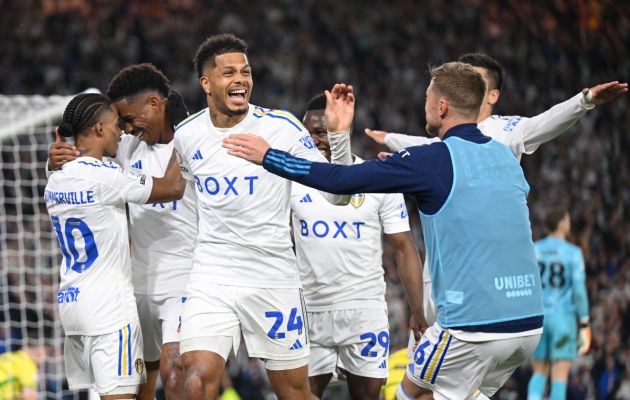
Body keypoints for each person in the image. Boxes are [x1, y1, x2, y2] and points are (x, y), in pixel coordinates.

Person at [223, 62, 545, 399]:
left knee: (411, 395)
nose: (425, 105)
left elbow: (339, 181)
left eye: (426, 98)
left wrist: (269, 156)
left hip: (472, 328)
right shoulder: (505, 155)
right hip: (528, 323)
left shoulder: (433, 159)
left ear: (442, 106)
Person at [363, 53, 627, 327]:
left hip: (483, 270)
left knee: (471, 349)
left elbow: (546, 122)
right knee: (426, 346)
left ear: (492, 96)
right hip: (442, 260)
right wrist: (392, 140)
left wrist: (584, 102)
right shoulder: (446, 137)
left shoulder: (507, 129)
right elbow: (425, 146)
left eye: (474, 81)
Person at [173, 33, 352, 400]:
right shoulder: (187, 136)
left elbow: (338, 194)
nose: (241, 79)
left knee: (293, 392)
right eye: (229, 73)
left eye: (246, 71)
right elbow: (186, 195)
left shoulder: (281, 128)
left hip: (273, 278)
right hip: (212, 277)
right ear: (206, 83)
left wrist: (340, 137)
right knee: (195, 380)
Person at [47, 64, 195, 400]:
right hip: (129, 290)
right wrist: (54, 159)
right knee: (135, 389)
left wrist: (53, 164)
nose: (125, 130)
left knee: (175, 376)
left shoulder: (197, 145)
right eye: (120, 124)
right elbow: (171, 186)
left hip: (179, 281)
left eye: (128, 120)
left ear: (156, 105)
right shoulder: (123, 153)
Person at [294, 94, 425, 399]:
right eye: (313, 132)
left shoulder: (377, 179)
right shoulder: (291, 181)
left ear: (344, 131)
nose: (321, 139)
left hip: (364, 311)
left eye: (327, 131)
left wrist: (417, 309)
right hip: (310, 311)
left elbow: (404, 247)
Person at [527, 209, 591, 400]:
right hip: (563, 318)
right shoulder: (573, 253)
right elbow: (579, 291)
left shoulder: (534, 249)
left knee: (539, 371)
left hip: (538, 318)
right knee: (559, 375)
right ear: (562, 222)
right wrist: (585, 321)